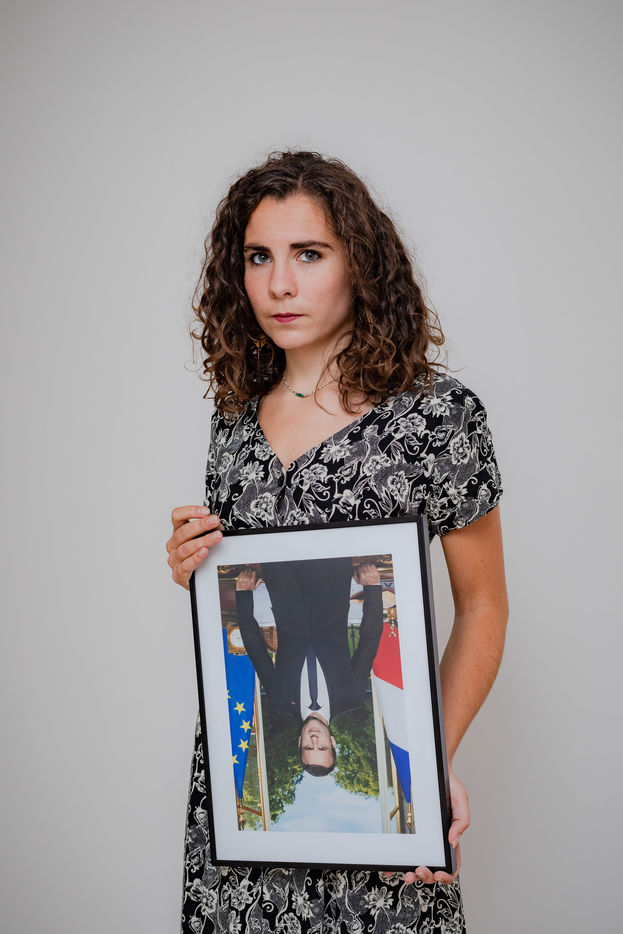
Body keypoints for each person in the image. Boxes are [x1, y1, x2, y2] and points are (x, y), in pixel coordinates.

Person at [166, 150, 508, 933]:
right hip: (242, 800)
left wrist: (426, 760)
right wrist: (195, 566)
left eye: (308, 254)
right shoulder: (232, 422)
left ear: (359, 264)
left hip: (382, 807)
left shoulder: (437, 416)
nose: (279, 284)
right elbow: (242, 598)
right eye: (258, 257)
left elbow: (483, 605)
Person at [234, 558, 383, 775]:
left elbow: (255, 647)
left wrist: (243, 594)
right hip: (332, 580)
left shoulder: (279, 700)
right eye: (322, 747)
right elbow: (369, 640)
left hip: (283, 583)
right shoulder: (351, 696)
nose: (314, 740)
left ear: (299, 743)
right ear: (332, 742)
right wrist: (372, 587)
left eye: (307, 747)